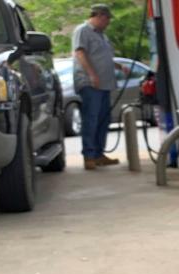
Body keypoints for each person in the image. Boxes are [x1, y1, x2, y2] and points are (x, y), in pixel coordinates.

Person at [72, 4, 118, 170]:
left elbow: (103, 56)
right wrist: (92, 74)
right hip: (90, 83)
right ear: (98, 16)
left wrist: (119, 66)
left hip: (105, 84)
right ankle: (89, 156)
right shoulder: (83, 31)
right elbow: (80, 53)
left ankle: (99, 154)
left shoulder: (101, 35)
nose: (108, 22)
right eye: (106, 19)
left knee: (103, 120)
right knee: (91, 119)